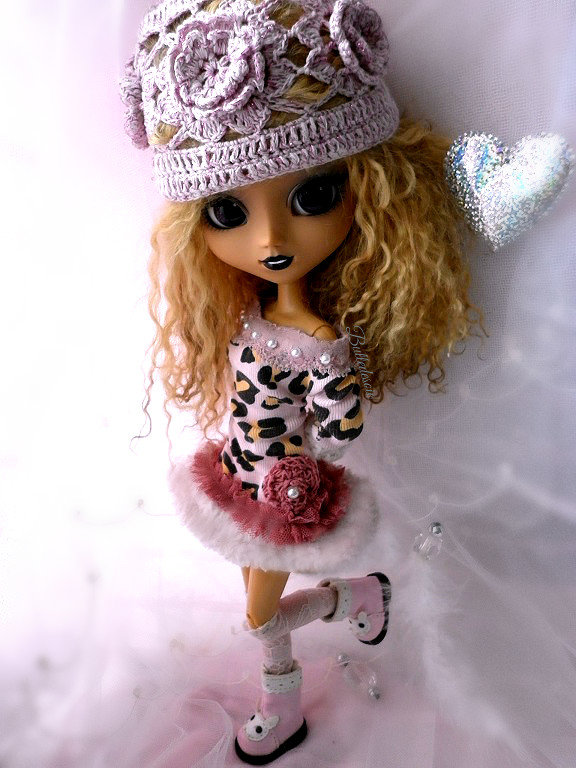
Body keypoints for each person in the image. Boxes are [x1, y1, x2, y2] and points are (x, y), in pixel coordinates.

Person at [120, 0, 478, 762]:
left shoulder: (319, 342)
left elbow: (340, 428)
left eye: (313, 196)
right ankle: (361, 599)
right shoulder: (250, 310)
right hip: (238, 475)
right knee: (253, 599)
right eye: (227, 212)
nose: (271, 239)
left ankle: (286, 694)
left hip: (284, 491)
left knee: (259, 617)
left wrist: (313, 436)